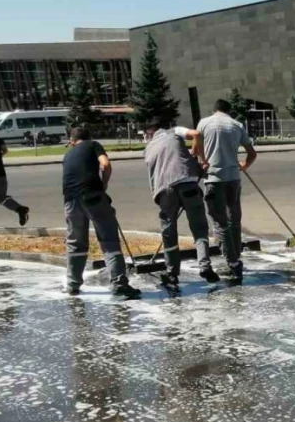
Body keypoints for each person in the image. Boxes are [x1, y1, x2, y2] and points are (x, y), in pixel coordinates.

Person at [61, 127, 142, 299]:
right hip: (92, 196)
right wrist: (103, 186)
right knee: (109, 240)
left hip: (70, 201)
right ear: (87, 137)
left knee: (76, 243)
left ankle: (72, 285)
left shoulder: (68, 155)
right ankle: (120, 285)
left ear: (72, 140)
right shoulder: (93, 145)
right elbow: (105, 164)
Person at [143, 119, 220, 287]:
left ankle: (172, 274)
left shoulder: (148, 148)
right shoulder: (174, 131)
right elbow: (196, 134)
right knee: (200, 228)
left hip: (165, 190)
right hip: (188, 183)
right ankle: (205, 266)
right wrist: (198, 157)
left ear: (149, 133)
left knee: (169, 233)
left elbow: (152, 176)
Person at [198, 99, 258, 283]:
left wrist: (201, 161)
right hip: (233, 178)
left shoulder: (204, 123)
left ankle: (233, 262)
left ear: (214, 110)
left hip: (214, 178)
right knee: (234, 219)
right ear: (228, 111)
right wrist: (244, 166)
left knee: (219, 221)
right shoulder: (237, 125)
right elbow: (252, 153)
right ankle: (236, 256)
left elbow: (196, 148)